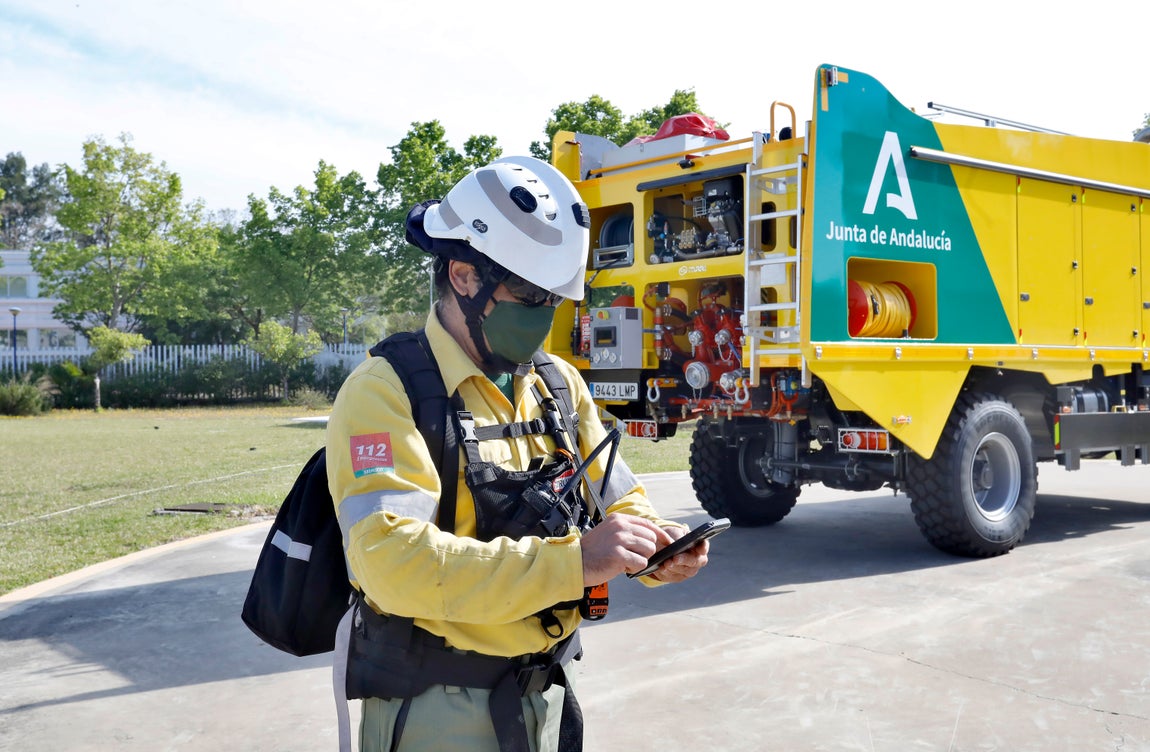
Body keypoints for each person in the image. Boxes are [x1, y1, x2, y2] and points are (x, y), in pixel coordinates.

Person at [325, 156, 710, 752]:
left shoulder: (558, 383)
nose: (543, 315)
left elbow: (618, 496)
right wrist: (574, 563)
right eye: (529, 294)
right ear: (462, 276)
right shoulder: (384, 392)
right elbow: (390, 562)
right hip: (438, 709)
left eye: (554, 297)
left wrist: (654, 546)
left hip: (549, 695)